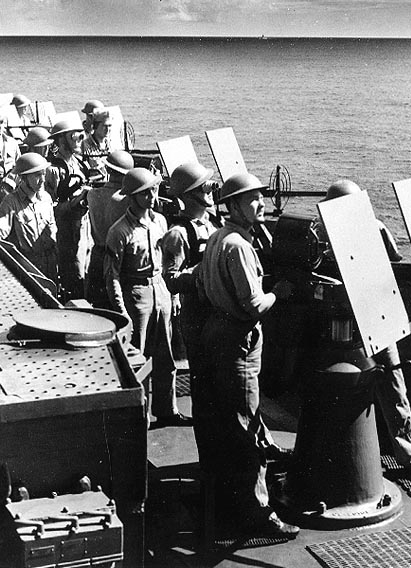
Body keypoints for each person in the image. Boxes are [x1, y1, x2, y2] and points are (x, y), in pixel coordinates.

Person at [195, 172, 299, 538]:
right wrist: (278, 293)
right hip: (238, 339)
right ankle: (258, 512)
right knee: (247, 427)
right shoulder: (238, 245)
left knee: (225, 421)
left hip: (216, 332)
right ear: (234, 206)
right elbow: (255, 305)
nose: (259, 203)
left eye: (259, 196)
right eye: (251, 198)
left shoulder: (215, 238)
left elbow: (201, 287)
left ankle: (226, 500)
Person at [321, 179, 411, 484]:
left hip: (374, 314)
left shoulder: (377, 229)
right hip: (340, 317)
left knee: (393, 385)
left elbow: (394, 264)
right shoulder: (322, 232)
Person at [104, 168, 190, 427]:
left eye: (153, 189)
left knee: (166, 358)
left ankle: (167, 410)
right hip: (136, 296)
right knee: (137, 360)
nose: (153, 195)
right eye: (146, 192)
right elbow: (112, 276)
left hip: (160, 290)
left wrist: (171, 296)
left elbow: (167, 263)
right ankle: (138, 415)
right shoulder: (119, 232)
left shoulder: (160, 222)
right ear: (133, 196)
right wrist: (122, 311)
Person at [162, 161, 222, 369]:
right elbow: (171, 279)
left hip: (220, 309)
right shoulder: (178, 234)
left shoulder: (214, 223)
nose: (210, 188)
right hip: (198, 312)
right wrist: (202, 272)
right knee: (203, 375)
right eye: (203, 186)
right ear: (188, 195)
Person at [0, 152, 58, 284]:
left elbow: (53, 228)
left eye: (43, 173)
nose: (43, 179)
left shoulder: (46, 199)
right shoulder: (11, 202)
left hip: (50, 265)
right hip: (29, 269)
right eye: (37, 175)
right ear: (23, 178)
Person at [49, 117, 91, 301]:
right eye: (74, 136)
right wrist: (74, 203)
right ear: (60, 140)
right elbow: (50, 210)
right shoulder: (53, 170)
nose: (78, 140)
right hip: (65, 232)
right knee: (73, 275)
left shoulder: (79, 164)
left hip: (83, 229)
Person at [86, 149, 131, 309]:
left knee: (99, 306)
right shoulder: (126, 200)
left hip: (97, 256)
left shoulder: (92, 194)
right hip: (119, 260)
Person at [81, 108, 114, 182]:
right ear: (95, 126)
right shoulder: (84, 145)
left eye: (110, 126)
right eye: (104, 126)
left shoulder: (110, 145)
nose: (107, 129)